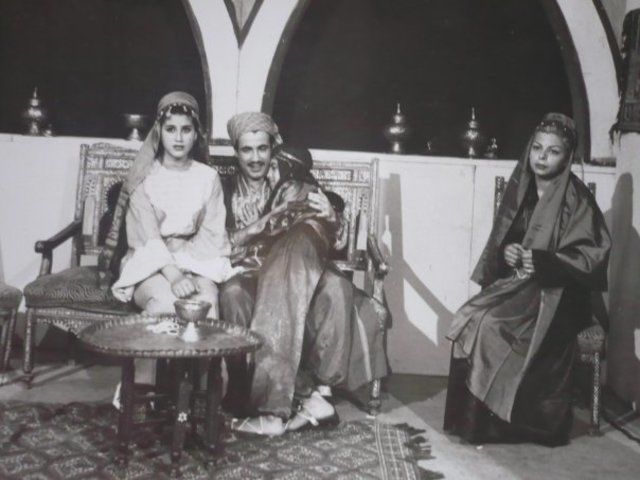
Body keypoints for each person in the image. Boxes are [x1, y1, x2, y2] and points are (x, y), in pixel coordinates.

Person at [443, 113, 611, 446]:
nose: (542, 157)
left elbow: (591, 258)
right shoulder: (522, 188)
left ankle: (510, 426)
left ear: (567, 157)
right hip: (522, 286)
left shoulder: (577, 200)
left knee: (492, 326)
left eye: (553, 151)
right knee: (472, 318)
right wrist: (508, 253)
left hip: (561, 296)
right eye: (537, 148)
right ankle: (472, 422)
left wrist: (544, 262)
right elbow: (507, 238)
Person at [220, 113, 389, 435]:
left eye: (262, 149)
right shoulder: (224, 188)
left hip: (301, 265)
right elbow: (220, 242)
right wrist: (261, 225)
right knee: (233, 293)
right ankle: (252, 390)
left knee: (337, 288)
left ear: (273, 149)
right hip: (250, 269)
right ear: (236, 152)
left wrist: (331, 217)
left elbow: (331, 238)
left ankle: (320, 394)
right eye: (246, 150)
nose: (255, 158)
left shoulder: (294, 178)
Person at [110, 92, 236, 392]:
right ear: (159, 131)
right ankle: (142, 389)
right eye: (171, 129)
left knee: (206, 303)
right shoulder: (145, 177)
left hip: (195, 261)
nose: (178, 138)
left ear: (196, 134)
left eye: (186, 129)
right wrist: (175, 274)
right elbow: (146, 237)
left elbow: (212, 233)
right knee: (167, 301)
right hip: (149, 263)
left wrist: (187, 266)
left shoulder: (208, 177)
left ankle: (200, 394)